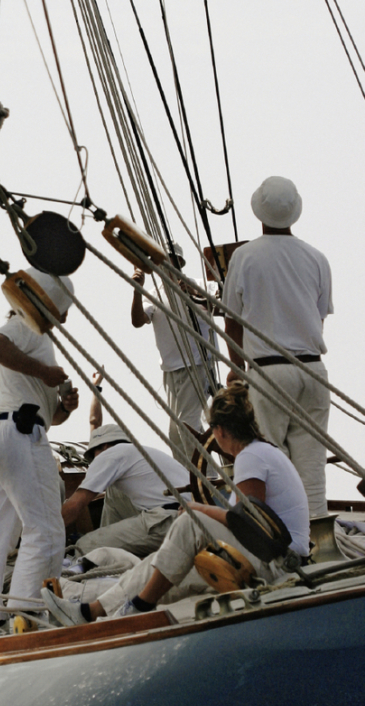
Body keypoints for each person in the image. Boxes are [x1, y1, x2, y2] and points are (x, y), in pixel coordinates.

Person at [43, 385, 309, 626]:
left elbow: (249, 522)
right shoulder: (265, 451)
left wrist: (199, 510)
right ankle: (90, 612)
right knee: (157, 566)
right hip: (264, 556)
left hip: (275, 562)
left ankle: (138, 607)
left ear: (218, 431)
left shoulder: (251, 456)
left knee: (190, 522)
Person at [0, 269, 80, 630]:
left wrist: (64, 408)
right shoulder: (26, 325)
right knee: (45, 530)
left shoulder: (36, 342)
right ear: (48, 306)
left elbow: (49, 417)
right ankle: (26, 617)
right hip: (18, 434)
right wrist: (45, 372)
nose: (64, 319)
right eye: (62, 311)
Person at [222, 176, 332, 514]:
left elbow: (232, 323)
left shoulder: (244, 257)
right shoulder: (317, 258)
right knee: (312, 466)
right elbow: (318, 319)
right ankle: (317, 533)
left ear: (259, 211)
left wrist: (237, 372)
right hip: (312, 370)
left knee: (271, 463)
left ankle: (280, 536)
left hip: (268, 371)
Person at [130, 244, 215, 462]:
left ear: (180, 263)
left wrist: (193, 293)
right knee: (175, 434)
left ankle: (207, 476)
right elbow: (138, 321)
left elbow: (221, 304)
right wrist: (137, 291)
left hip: (196, 365)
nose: (168, 265)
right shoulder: (153, 295)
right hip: (171, 369)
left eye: (173, 261)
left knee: (187, 425)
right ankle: (185, 475)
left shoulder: (199, 285)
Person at [60, 424, 189, 559]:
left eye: (94, 455)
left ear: (104, 446)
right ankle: (107, 544)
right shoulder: (142, 454)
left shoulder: (110, 454)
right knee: (113, 490)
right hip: (188, 519)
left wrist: (47, 532)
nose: (95, 461)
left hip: (165, 521)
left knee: (85, 546)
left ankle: (104, 553)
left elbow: (76, 505)